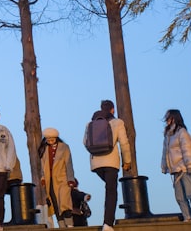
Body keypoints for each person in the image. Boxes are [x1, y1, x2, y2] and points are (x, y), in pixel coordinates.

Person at [83, 99, 131, 231]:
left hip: (96, 164)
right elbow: (124, 143)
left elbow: (84, 141)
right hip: (111, 162)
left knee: (109, 187)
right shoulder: (117, 122)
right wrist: (127, 161)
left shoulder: (90, 124)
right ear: (112, 109)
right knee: (111, 191)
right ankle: (108, 223)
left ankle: (107, 222)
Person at [160, 110, 191, 222]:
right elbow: (165, 152)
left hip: (184, 167)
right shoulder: (168, 135)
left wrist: (190, 165)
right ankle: (187, 216)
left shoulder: (182, 132)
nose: (167, 120)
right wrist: (164, 166)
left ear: (174, 118)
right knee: (179, 196)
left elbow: (187, 149)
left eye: (169, 118)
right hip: (175, 169)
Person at [39, 127, 76, 227]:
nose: (50, 141)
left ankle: (70, 224)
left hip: (63, 178)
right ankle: (61, 225)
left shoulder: (64, 147)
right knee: (54, 203)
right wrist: (43, 178)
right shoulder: (44, 149)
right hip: (49, 180)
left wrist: (71, 179)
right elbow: (43, 166)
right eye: (48, 140)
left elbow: (69, 164)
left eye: (52, 139)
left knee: (65, 202)